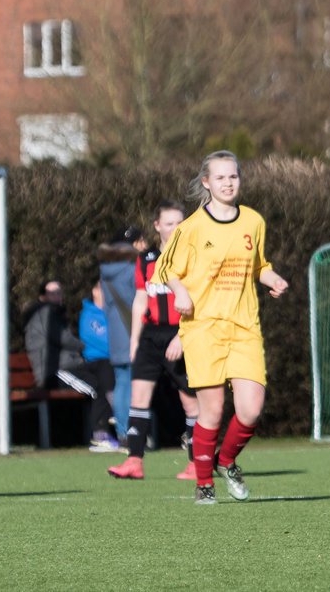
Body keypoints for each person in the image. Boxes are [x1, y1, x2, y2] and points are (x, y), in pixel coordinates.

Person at [153, 151, 288, 505]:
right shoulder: (191, 228)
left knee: (250, 410)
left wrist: (271, 277)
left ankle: (226, 461)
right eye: (222, 177)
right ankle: (203, 485)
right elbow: (166, 270)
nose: (229, 182)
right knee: (211, 410)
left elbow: (259, 264)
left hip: (244, 327)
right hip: (203, 329)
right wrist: (180, 293)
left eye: (234, 176)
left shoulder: (254, 222)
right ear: (207, 183)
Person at [108, 201, 200, 481]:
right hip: (151, 336)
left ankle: (197, 464)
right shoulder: (146, 258)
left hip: (180, 334)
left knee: (191, 404)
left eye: (179, 223)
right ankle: (134, 461)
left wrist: (183, 338)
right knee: (138, 398)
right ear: (157, 226)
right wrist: (135, 341)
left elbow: (200, 301)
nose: (175, 229)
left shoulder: (193, 258)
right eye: (169, 223)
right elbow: (140, 299)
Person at [22, 280, 115, 449]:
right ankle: (100, 435)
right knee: (95, 387)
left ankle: (117, 418)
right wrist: (85, 346)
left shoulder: (56, 315)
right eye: (52, 293)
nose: (56, 296)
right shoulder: (44, 314)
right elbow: (62, 338)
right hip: (54, 372)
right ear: (42, 297)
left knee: (104, 369)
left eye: (59, 292)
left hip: (70, 367)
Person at [99, 227, 140, 443]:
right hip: (132, 327)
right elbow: (137, 298)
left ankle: (124, 431)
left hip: (115, 330)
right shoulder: (134, 266)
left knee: (121, 381)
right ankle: (136, 432)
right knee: (136, 382)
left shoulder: (105, 268)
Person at [79, 281, 121, 451]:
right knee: (104, 379)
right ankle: (103, 431)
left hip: (115, 361)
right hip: (97, 362)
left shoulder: (115, 312)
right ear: (94, 291)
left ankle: (128, 427)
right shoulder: (88, 314)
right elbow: (98, 340)